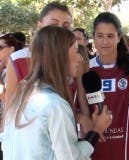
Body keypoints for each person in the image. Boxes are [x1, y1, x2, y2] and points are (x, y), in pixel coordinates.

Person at [0, 25, 112, 160]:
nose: (80, 59)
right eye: (76, 51)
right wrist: (96, 130)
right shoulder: (54, 105)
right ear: (60, 56)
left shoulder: (22, 93)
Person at [86, 12, 129, 160]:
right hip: (95, 142)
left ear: (119, 37)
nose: (105, 41)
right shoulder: (86, 69)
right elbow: (81, 110)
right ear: (93, 37)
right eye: (100, 36)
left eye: (110, 36)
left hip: (126, 145)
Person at [5, 1, 72, 106]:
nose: (59, 31)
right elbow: (9, 107)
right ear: (39, 26)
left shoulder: (74, 60)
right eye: (53, 25)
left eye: (66, 27)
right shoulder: (17, 59)